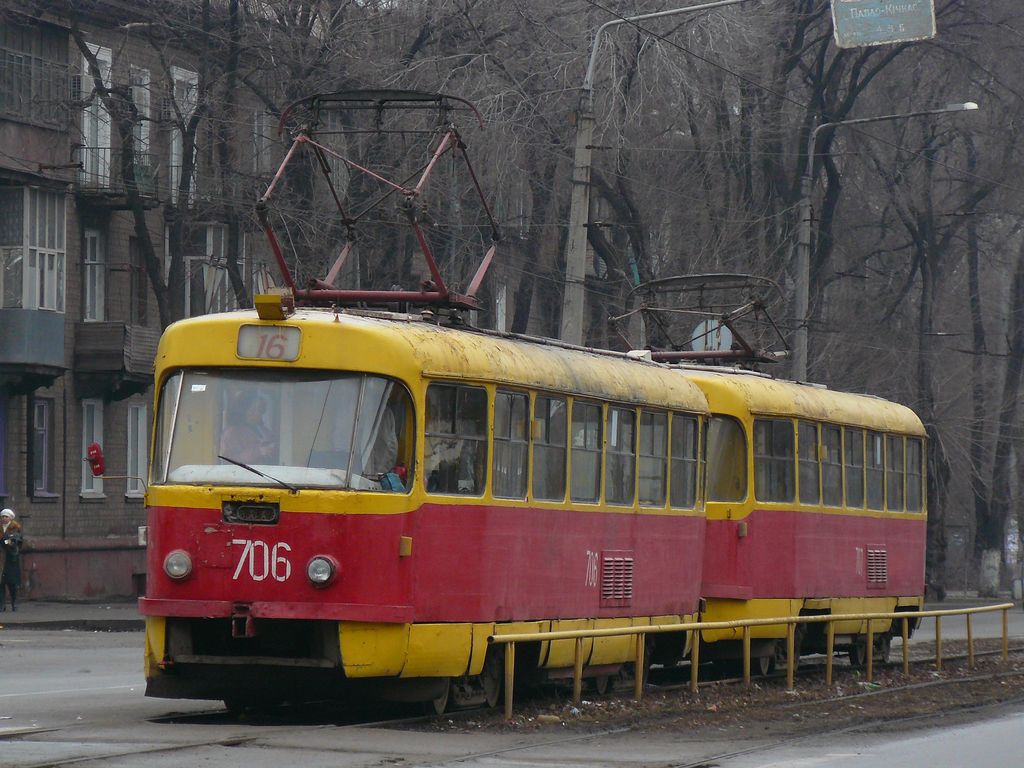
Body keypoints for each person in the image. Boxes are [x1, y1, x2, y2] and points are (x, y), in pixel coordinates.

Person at [219, 390, 276, 465]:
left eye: (260, 410)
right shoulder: (231, 432)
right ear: (243, 409)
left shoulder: (264, 430)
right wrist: (258, 451)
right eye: (253, 409)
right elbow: (227, 461)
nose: (258, 413)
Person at [0, 508, 23, 612]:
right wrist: (6, 541)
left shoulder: (15, 528)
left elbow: (15, 541)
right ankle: (2, 605)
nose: (4, 518)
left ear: (10, 518)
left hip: (11, 560)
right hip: (1, 559)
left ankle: (14, 602)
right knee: (1, 583)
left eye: (6, 516)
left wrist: (5, 542)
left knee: (12, 583)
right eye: (3, 516)